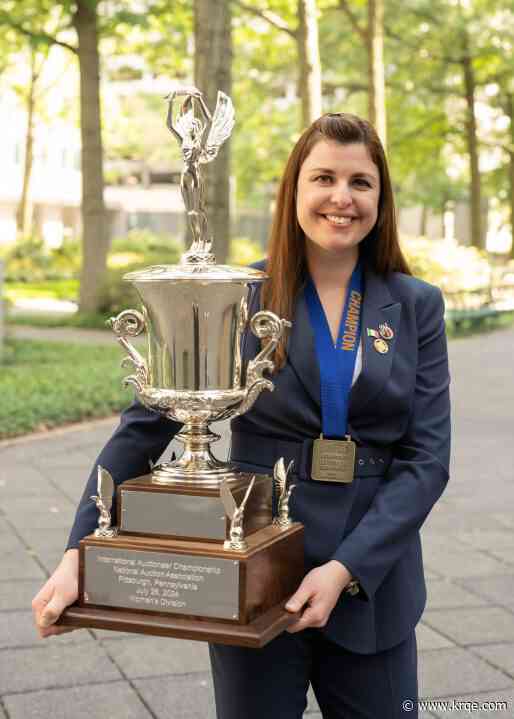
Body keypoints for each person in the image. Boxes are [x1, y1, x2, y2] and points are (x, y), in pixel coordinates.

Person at [32, 113, 451, 719]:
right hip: (250, 567)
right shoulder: (237, 292)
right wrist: (78, 554)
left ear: (381, 199)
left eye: (361, 182)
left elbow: (427, 460)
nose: (342, 197)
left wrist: (345, 570)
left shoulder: (416, 305)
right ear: (294, 192)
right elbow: (144, 427)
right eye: (324, 178)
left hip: (372, 581)